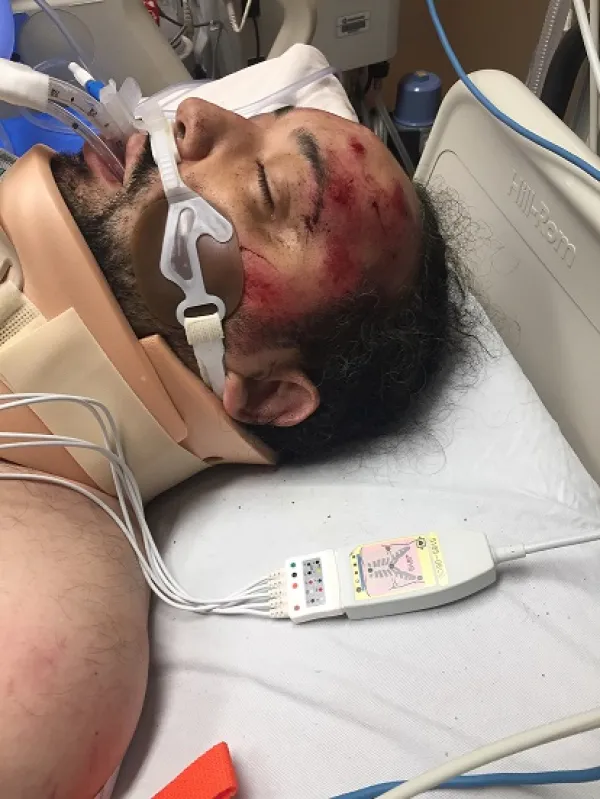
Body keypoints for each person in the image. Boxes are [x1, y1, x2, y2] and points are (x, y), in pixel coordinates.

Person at [0, 97, 464, 797]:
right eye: (263, 117)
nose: (193, 112)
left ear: (270, 391)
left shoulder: (40, 640)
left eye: (267, 186)